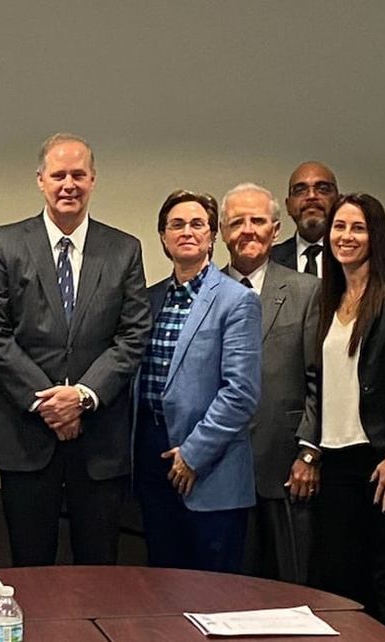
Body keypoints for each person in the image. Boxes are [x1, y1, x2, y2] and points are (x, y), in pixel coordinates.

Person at [0, 133, 150, 567]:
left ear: (93, 180)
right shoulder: (4, 243)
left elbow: (133, 335)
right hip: (26, 434)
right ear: (40, 180)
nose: (68, 184)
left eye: (78, 175)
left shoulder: (124, 249)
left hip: (99, 440)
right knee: (31, 568)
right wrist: (48, 402)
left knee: (98, 568)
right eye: (58, 175)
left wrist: (82, 396)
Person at [301, 192, 385, 636]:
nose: (346, 236)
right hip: (336, 459)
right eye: (339, 227)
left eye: (357, 228)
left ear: (375, 236)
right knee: (339, 581)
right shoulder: (329, 299)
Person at [134, 190, 262, 572]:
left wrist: (193, 454)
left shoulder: (237, 300)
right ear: (162, 237)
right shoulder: (148, 299)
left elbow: (240, 393)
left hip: (210, 468)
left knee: (212, 593)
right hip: (153, 459)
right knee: (161, 583)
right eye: (176, 224)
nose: (186, 231)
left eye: (197, 224)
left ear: (211, 236)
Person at [220, 182, 320, 583]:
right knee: (226, 588)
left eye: (258, 221)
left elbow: (321, 379)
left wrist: (310, 452)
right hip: (220, 465)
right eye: (237, 222)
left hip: (286, 463)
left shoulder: (307, 291)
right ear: (222, 232)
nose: (248, 230)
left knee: (291, 586)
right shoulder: (205, 292)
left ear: (276, 229)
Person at [272, 161, 385, 276]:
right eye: (300, 190)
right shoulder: (271, 259)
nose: (311, 196)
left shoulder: (384, 256)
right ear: (288, 205)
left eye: (323, 189)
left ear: (338, 201)